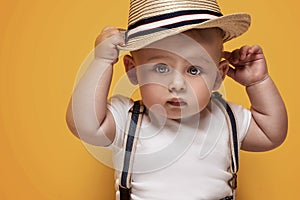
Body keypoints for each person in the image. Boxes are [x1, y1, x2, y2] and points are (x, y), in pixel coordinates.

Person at [66, 0, 288, 199]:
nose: (177, 84)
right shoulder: (128, 120)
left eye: (193, 70)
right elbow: (84, 124)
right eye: (161, 68)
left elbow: (271, 134)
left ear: (219, 75)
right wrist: (102, 61)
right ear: (133, 71)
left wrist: (258, 83)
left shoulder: (227, 118)